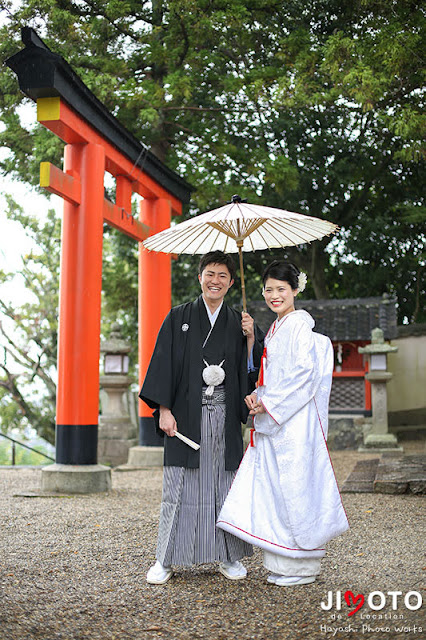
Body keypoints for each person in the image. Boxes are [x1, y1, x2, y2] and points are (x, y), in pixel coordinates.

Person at [217, 260, 349, 586]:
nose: (275, 295)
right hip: (277, 420)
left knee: (295, 489)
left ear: (294, 291)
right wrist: (257, 395)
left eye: (281, 289)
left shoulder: (299, 326)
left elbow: (304, 374)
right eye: (269, 289)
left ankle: (301, 567)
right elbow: (272, 376)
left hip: (294, 422)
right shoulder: (276, 328)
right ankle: (282, 564)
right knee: (275, 492)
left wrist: (271, 403)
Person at [140, 250, 264, 584]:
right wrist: (164, 411)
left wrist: (252, 336)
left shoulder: (238, 322)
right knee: (179, 487)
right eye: (210, 273)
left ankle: (228, 557)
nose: (215, 281)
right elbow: (163, 364)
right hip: (185, 417)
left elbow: (252, 370)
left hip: (224, 414)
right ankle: (165, 559)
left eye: (223, 276)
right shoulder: (178, 317)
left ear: (231, 282)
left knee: (223, 485)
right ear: (200, 278)